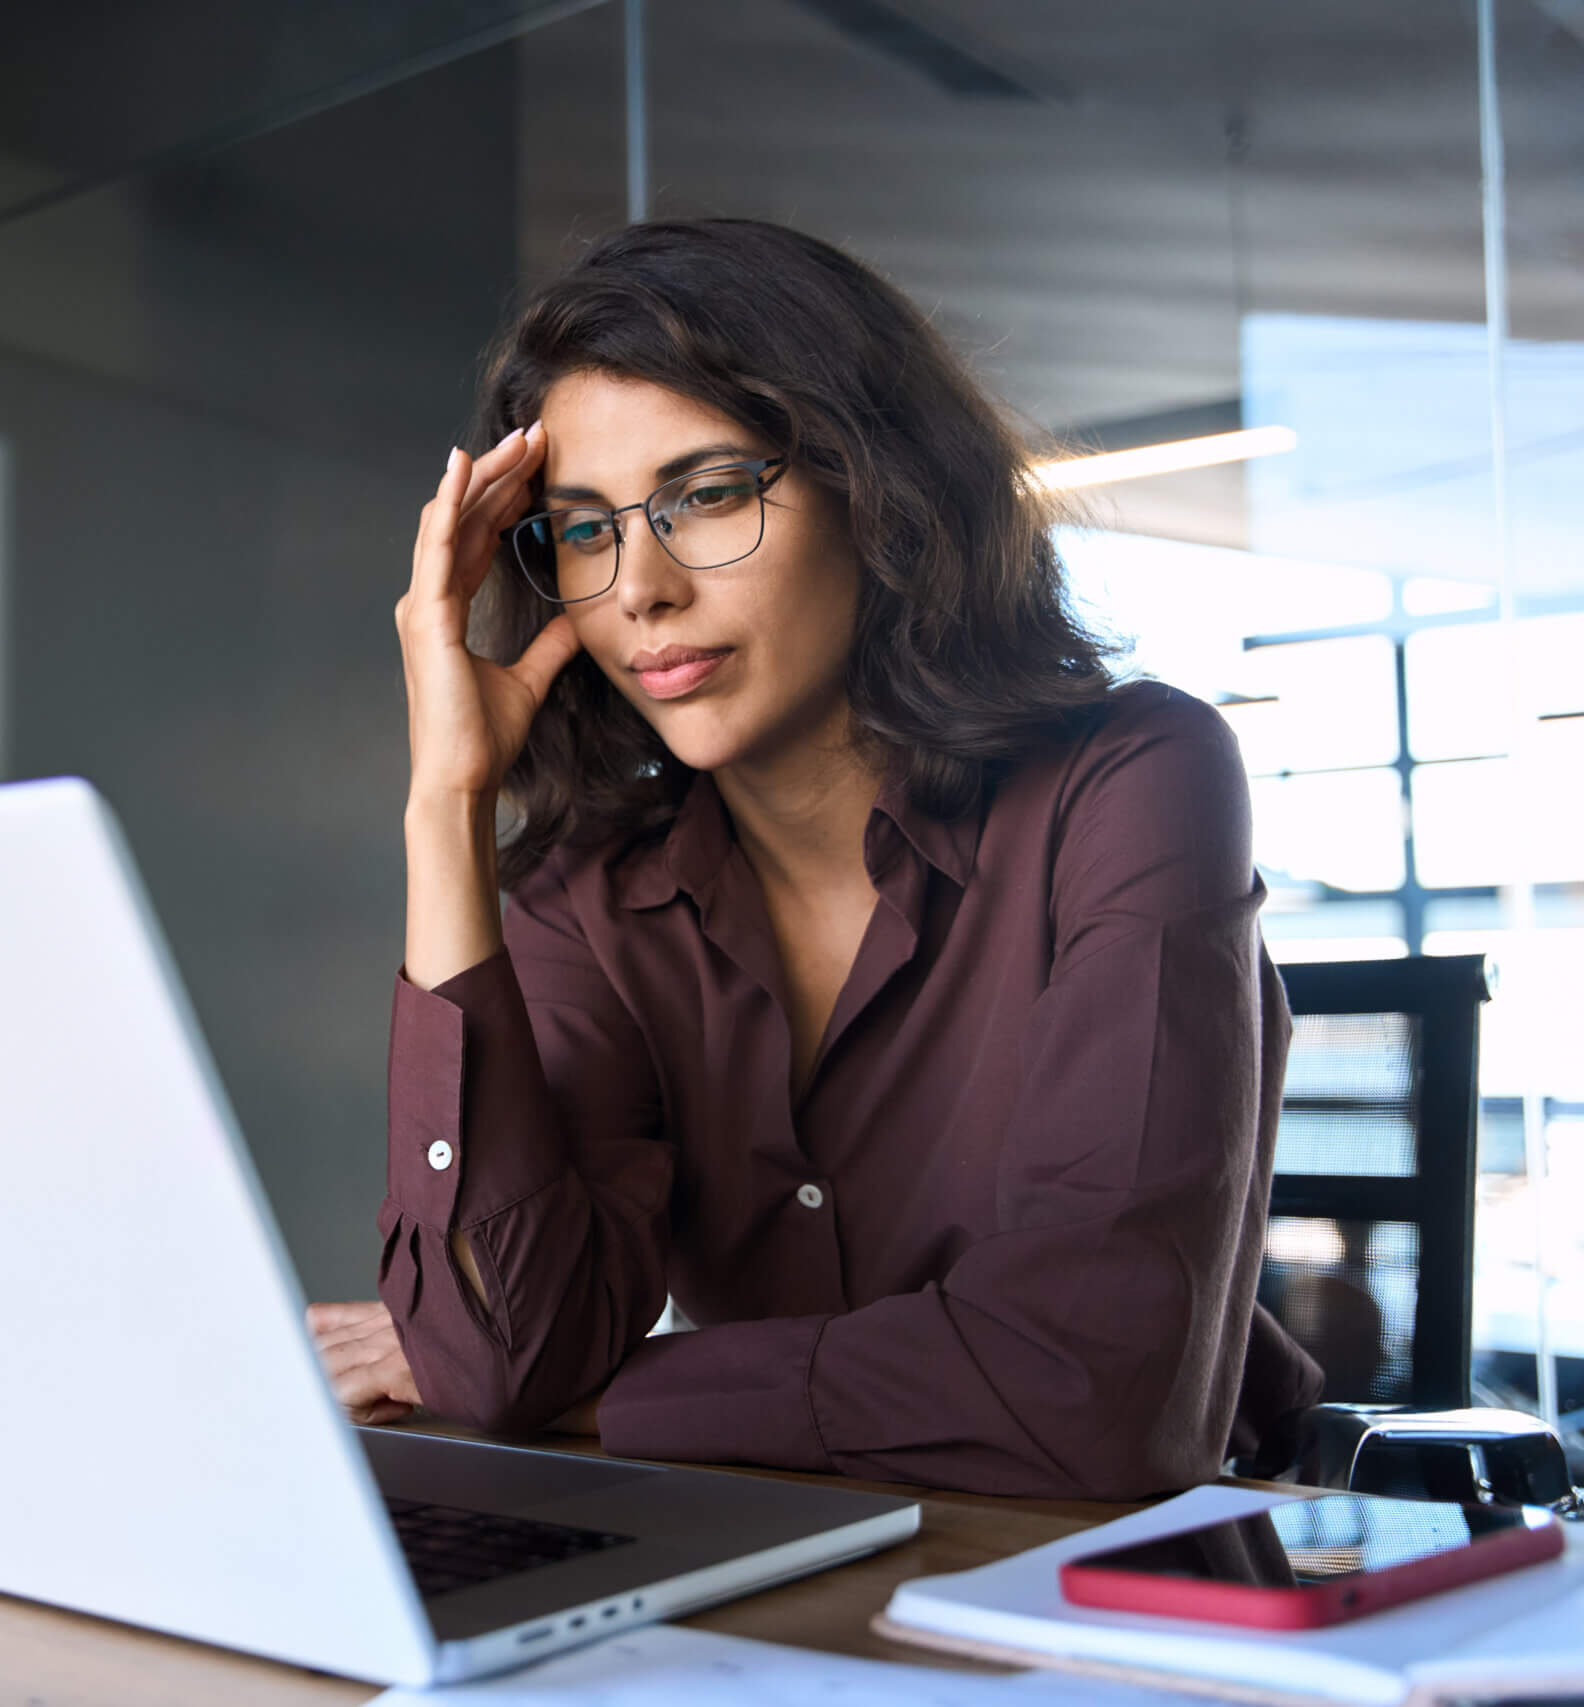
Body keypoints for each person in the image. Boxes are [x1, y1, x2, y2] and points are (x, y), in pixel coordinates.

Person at [309, 219, 1322, 1501]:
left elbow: (1091, 1394)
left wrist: (598, 1391)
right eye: (581, 530)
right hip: (792, 1562)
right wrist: (445, 803)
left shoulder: (1129, 779)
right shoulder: (592, 901)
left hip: (1129, 1588)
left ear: (870, 483)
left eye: (708, 495)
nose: (639, 590)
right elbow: (505, 1346)